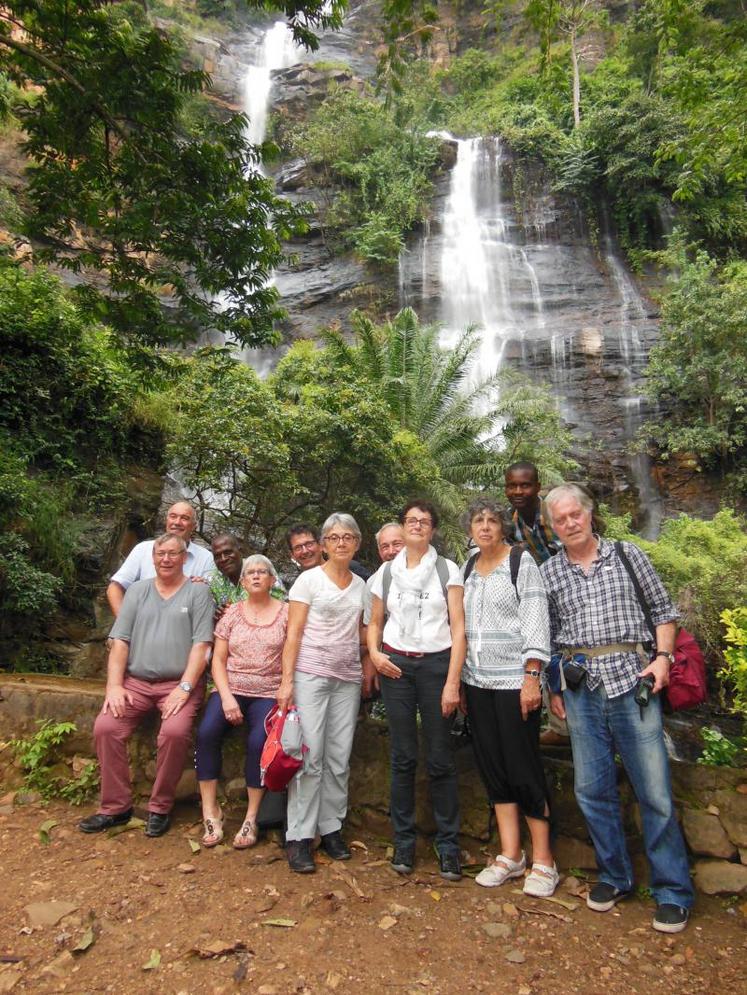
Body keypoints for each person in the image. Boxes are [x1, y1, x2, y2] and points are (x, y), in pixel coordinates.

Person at [541, 483, 694, 933]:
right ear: (552, 527)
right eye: (560, 519)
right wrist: (554, 685)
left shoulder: (627, 555)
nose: (569, 523)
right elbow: (548, 636)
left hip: (634, 680)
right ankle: (614, 875)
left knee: (655, 792)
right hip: (581, 687)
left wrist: (662, 659)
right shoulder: (550, 573)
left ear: (589, 515)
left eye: (575, 515)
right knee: (591, 789)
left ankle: (672, 891)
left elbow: (664, 613)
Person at [80, 534, 214, 837]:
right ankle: (116, 807)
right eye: (160, 554)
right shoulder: (138, 591)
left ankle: (160, 806)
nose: (166, 559)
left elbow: (202, 645)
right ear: (153, 558)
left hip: (179, 684)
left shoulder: (198, 593)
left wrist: (184, 687)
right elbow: (121, 641)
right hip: (136, 683)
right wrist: (114, 686)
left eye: (172, 554)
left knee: (175, 732)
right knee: (106, 728)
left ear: (184, 558)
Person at [461, 498, 557, 896]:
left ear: (503, 527)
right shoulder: (467, 569)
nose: (485, 527)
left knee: (523, 767)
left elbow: (537, 621)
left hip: (514, 682)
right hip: (477, 682)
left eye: (492, 521)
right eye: (478, 521)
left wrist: (532, 677)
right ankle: (510, 854)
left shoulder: (521, 563)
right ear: (470, 528)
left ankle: (544, 861)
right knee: (493, 767)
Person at [367, 500, 466, 881]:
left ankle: (449, 845)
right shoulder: (386, 573)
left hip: (437, 666)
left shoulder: (448, 570)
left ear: (433, 529)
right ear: (403, 527)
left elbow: (458, 629)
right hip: (396, 667)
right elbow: (375, 623)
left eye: (424, 522)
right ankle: (404, 840)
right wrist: (375, 654)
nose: (417, 526)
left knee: (440, 757)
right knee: (403, 755)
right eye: (411, 521)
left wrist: (452, 682)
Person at [277, 513, 368, 873]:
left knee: (338, 756)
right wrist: (287, 681)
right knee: (309, 755)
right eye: (334, 537)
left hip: (347, 677)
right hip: (311, 675)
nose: (341, 542)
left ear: (357, 543)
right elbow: (294, 634)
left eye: (348, 537)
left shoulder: (362, 587)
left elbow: (364, 634)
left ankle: (331, 828)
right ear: (324, 544)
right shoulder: (308, 581)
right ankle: (299, 836)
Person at [195, 555, 288, 849]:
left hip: (268, 692)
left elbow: (292, 657)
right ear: (244, 582)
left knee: (258, 742)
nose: (257, 576)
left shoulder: (286, 614)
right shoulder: (232, 613)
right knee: (207, 732)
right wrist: (226, 698)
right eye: (251, 573)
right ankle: (210, 810)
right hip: (230, 688)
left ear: (273, 581)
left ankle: (251, 816)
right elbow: (218, 661)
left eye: (263, 572)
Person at [504, 462, 568, 747]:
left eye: (525, 485)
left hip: (571, 595)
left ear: (538, 487)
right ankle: (560, 726)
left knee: (572, 656)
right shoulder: (510, 522)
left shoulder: (557, 513)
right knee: (542, 653)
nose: (518, 491)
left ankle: (577, 725)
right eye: (512, 486)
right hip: (537, 600)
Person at [107, 501, 214, 617]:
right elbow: (115, 587)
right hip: (142, 625)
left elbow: (212, 598)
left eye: (184, 518)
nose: (177, 522)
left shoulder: (206, 557)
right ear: (166, 520)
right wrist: (125, 625)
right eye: (173, 516)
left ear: (194, 526)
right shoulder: (143, 549)